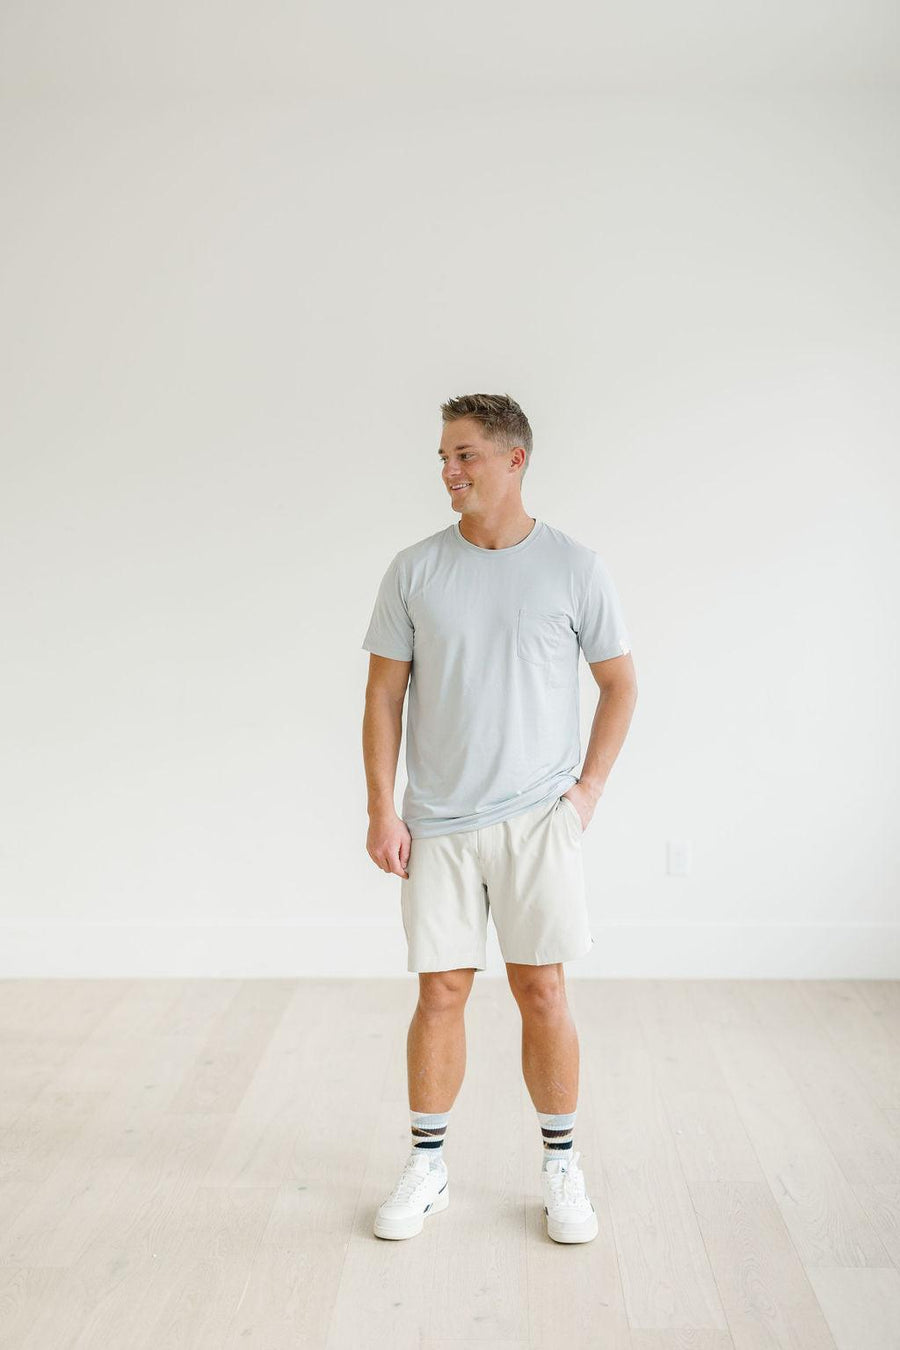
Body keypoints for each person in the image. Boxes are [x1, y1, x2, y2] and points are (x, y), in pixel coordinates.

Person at [361, 392, 637, 1243]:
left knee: (542, 989)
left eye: (465, 455)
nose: (449, 471)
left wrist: (586, 793)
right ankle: (428, 1166)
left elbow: (620, 683)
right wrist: (381, 808)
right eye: (445, 457)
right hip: (437, 823)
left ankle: (561, 1166)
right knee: (440, 990)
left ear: (515, 460)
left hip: (536, 821)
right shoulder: (415, 569)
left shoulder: (574, 567)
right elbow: (382, 697)